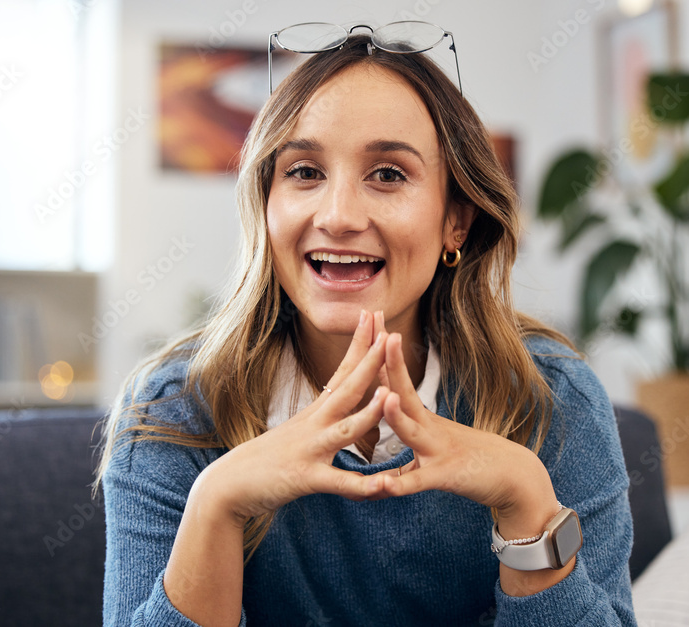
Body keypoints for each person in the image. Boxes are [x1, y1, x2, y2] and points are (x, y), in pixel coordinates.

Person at [97, 23, 636, 627]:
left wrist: (525, 498)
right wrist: (216, 506)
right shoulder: (173, 413)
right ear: (265, 207)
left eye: (388, 175)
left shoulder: (555, 400)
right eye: (304, 171)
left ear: (456, 222)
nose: (339, 216)